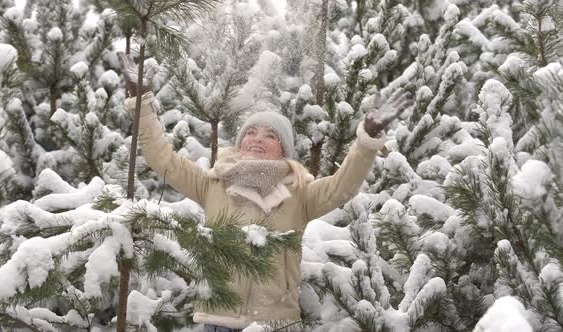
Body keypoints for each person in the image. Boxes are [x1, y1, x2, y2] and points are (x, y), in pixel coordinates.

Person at [118, 52, 412, 331]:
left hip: (275, 323)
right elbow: (163, 159)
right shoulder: (213, 182)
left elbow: (343, 185)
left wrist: (366, 142)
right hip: (218, 319)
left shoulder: (300, 193)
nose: (257, 140)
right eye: (250, 132)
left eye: (270, 136)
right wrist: (142, 105)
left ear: (284, 149)